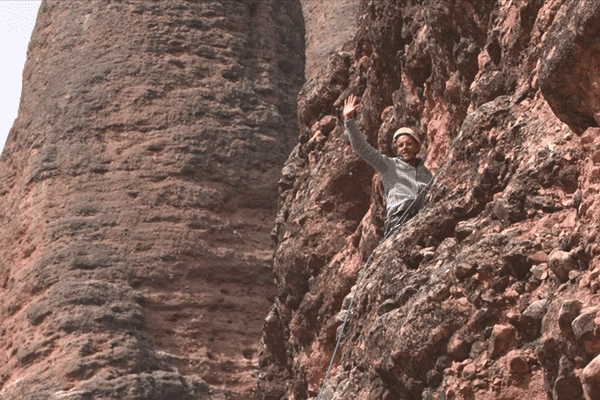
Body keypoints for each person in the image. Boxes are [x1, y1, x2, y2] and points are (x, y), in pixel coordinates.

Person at [343, 94, 433, 237]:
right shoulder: (389, 166)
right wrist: (349, 121)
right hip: (399, 218)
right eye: (401, 145)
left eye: (409, 143)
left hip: (424, 215)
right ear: (397, 150)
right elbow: (362, 148)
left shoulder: (426, 173)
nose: (405, 148)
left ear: (417, 147)